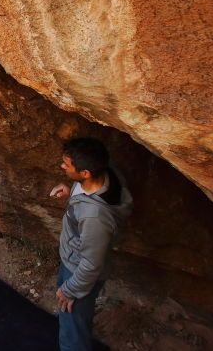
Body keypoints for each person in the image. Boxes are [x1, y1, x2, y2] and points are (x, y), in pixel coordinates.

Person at [49, 138, 133, 351]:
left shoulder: (95, 217)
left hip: (78, 272)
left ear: (85, 173)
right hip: (73, 258)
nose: (62, 167)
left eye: (67, 165)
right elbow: (86, 203)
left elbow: (91, 264)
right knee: (71, 321)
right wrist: (71, 193)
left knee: (72, 333)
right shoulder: (104, 173)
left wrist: (71, 289)